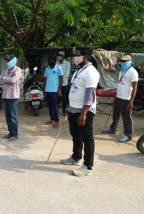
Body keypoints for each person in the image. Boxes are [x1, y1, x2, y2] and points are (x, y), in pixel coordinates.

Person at [61, 47, 99, 177]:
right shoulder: (80, 70)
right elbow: (74, 89)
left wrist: (84, 113)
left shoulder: (91, 72)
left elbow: (90, 95)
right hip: (74, 108)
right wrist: (68, 106)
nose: (75, 58)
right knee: (75, 134)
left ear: (86, 56)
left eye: (77, 55)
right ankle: (76, 157)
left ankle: (88, 166)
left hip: (84, 110)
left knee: (87, 138)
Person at [102, 55, 138, 143]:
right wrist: (116, 95)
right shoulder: (122, 71)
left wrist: (131, 101)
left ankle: (128, 135)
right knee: (115, 114)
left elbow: (135, 88)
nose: (122, 63)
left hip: (126, 99)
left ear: (129, 62)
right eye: (121, 61)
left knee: (126, 118)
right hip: (119, 97)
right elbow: (120, 84)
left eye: (124, 61)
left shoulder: (133, 72)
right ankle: (113, 129)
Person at [0, 55, 22, 141]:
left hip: (13, 96)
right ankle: (10, 132)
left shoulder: (18, 70)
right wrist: (7, 79)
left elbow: (13, 80)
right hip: (6, 95)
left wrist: (4, 79)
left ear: (13, 61)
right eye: (7, 60)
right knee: (7, 116)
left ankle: (14, 134)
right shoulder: (5, 70)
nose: (7, 62)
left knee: (13, 116)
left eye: (9, 60)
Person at [43, 55, 63, 128]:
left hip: (55, 91)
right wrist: (43, 90)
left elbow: (61, 79)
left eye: (52, 60)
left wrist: (59, 89)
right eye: (50, 60)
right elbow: (45, 80)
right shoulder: (46, 69)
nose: (51, 61)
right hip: (47, 90)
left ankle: (57, 121)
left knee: (55, 106)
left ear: (55, 61)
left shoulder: (59, 68)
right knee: (50, 106)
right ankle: (52, 119)